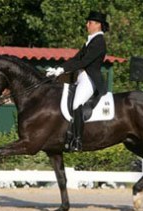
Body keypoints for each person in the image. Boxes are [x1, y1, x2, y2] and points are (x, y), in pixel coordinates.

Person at [46, 11, 109, 151]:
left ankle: (78, 140)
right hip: (81, 77)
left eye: (90, 22)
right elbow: (76, 59)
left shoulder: (99, 42)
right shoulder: (90, 41)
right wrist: (59, 68)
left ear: (98, 25)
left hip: (90, 79)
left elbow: (84, 62)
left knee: (76, 103)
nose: (87, 25)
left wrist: (63, 70)